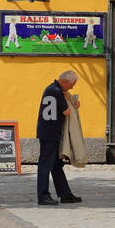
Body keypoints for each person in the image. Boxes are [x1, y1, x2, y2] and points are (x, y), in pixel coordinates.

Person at [35, 70, 81, 206]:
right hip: (50, 132)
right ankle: (43, 196)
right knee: (45, 164)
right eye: (72, 84)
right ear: (65, 82)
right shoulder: (57, 91)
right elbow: (66, 111)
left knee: (56, 165)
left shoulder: (51, 89)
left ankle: (65, 194)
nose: (72, 87)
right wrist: (72, 103)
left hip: (48, 131)